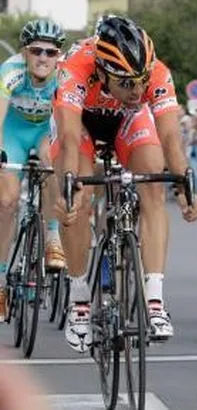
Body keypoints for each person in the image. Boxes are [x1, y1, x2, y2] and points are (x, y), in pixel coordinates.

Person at [51, 16, 197, 352]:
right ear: (104, 72)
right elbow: (67, 136)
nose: (137, 91)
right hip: (83, 127)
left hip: (126, 121)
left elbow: (170, 137)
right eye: (127, 83)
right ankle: (79, 299)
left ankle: (154, 300)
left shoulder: (155, 74)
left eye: (142, 81)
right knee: (78, 195)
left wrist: (184, 189)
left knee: (152, 178)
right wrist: (69, 185)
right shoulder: (75, 69)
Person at [0, 19, 66, 321]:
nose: (43, 58)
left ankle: (52, 237)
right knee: (6, 202)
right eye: (36, 51)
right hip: (12, 133)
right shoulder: (10, 71)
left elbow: (67, 126)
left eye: (51, 52)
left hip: (43, 133)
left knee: (53, 163)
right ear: (25, 53)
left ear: (58, 56)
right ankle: (1, 281)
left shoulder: (64, 77)